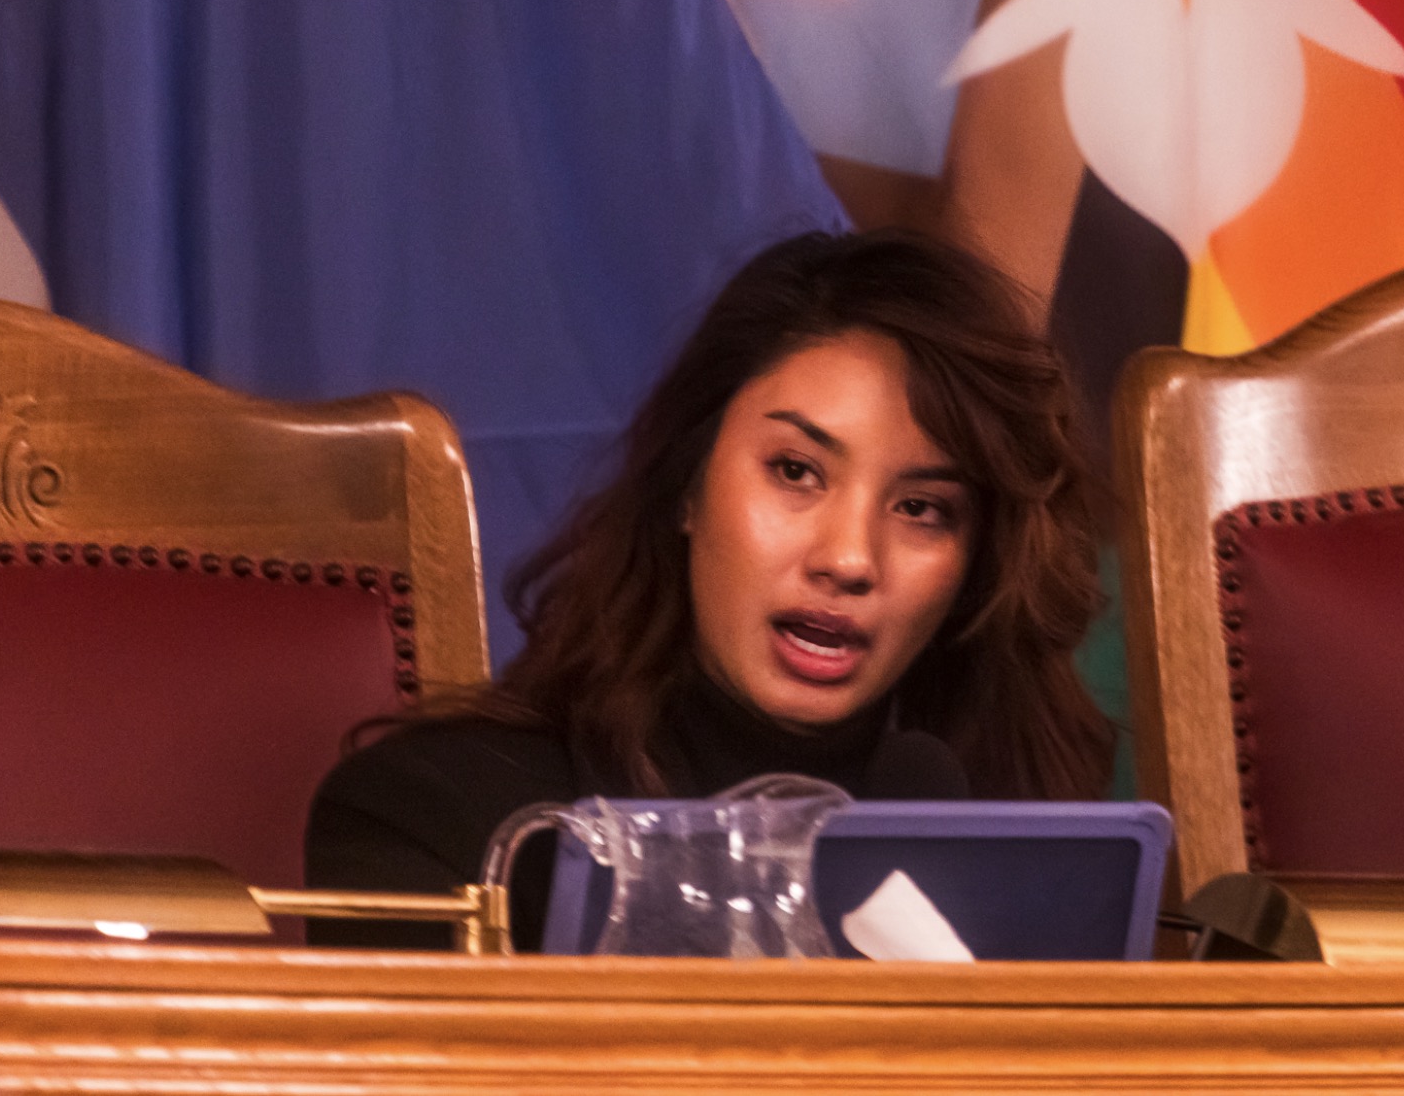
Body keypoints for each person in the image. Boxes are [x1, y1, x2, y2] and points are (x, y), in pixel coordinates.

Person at [306, 230, 1115, 948]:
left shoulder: (1020, 843)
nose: (850, 558)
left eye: (921, 509)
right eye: (796, 472)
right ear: (685, 488)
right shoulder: (440, 817)